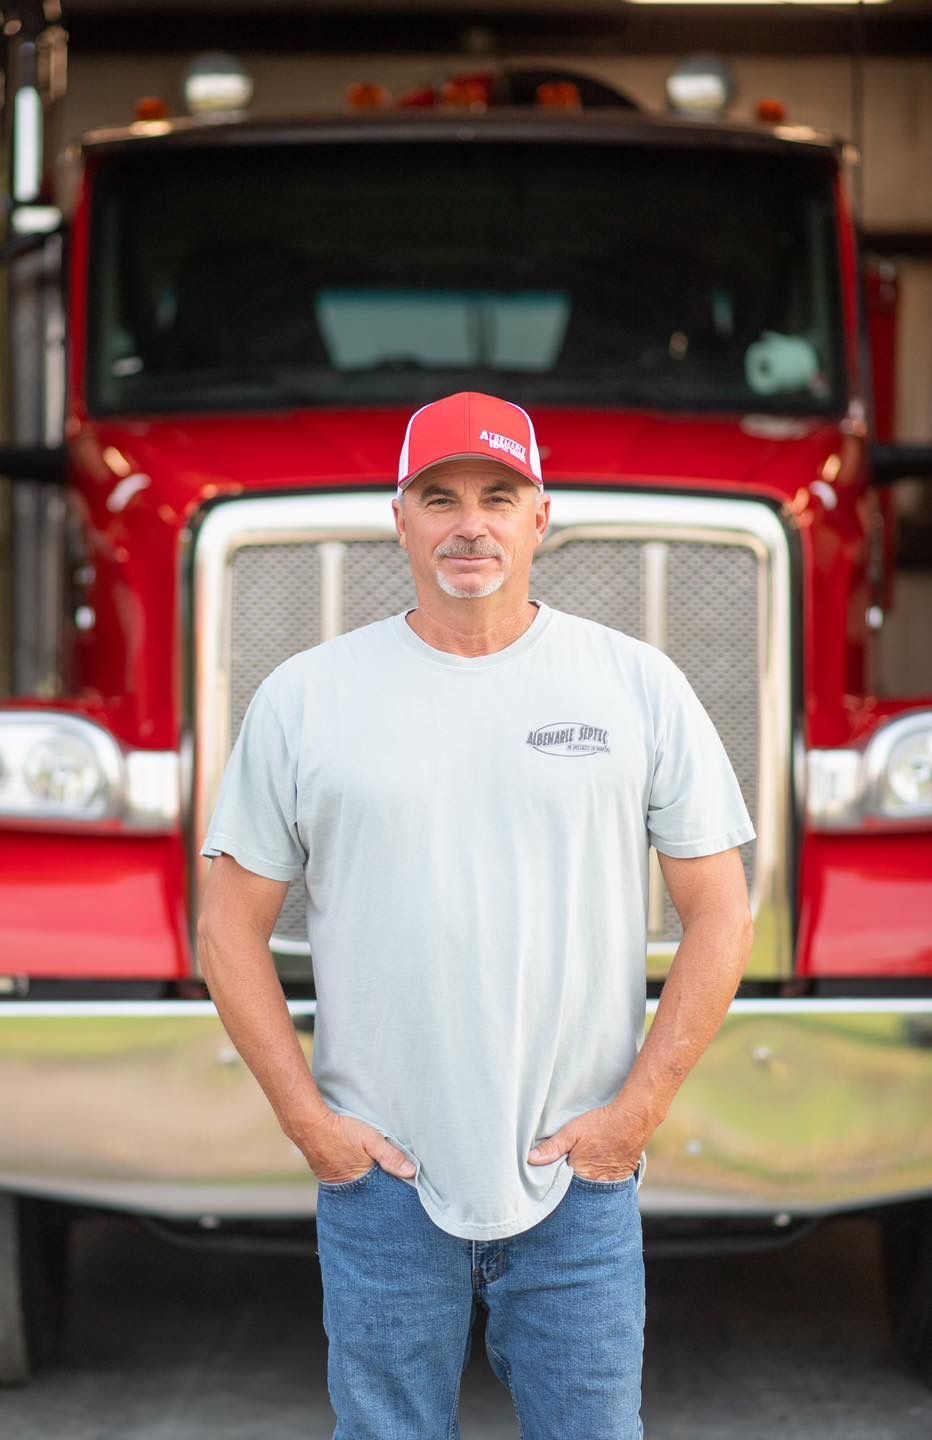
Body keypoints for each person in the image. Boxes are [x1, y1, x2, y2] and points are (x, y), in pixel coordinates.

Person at [198, 390, 755, 1440]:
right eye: (439, 496)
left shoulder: (634, 685)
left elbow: (719, 913)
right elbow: (227, 928)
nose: (470, 523)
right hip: (382, 1188)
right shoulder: (307, 697)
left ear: (539, 516)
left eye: (499, 496)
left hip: (576, 1184)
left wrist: (630, 1120)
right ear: (397, 518)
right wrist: (313, 1130)